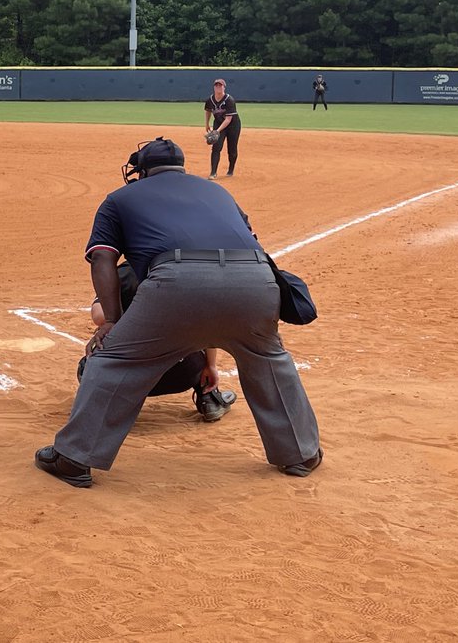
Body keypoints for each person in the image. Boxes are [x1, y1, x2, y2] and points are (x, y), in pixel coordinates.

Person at [34, 137, 322, 488]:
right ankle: (302, 454)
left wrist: (111, 320)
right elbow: (252, 244)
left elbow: (103, 258)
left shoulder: (120, 198)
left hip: (177, 282)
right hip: (256, 280)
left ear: (141, 171)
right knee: (269, 360)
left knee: (115, 360)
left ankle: (74, 458)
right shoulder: (218, 193)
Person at [78, 262, 238, 423]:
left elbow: (98, 316)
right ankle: (209, 398)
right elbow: (207, 326)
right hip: (184, 374)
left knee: (89, 362)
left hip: (129, 377)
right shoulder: (186, 271)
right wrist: (210, 366)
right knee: (196, 335)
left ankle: (107, 403)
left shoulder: (125, 272)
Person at [204, 78, 241, 179]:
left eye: (220, 85)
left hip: (233, 125)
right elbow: (208, 111)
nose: (218, 87)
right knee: (216, 147)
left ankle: (231, 169)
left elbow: (228, 119)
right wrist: (207, 124)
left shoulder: (229, 100)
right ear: (214, 87)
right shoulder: (210, 100)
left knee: (232, 149)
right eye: (216, 85)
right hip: (219, 122)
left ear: (224, 87)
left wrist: (217, 131)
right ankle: (213, 172)